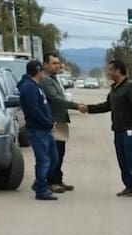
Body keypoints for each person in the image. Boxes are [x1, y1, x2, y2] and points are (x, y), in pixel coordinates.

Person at [80, 59, 132, 198]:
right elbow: (107, 106)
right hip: (118, 129)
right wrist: (88, 108)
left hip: (130, 130)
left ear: (118, 70)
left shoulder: (130, 87)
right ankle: (129, 186)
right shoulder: (114, 88)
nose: (109, 72)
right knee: (122, 160)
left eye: (111, 69)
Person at [17, 61, 57, 201]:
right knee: (44, 160)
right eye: (42, 71)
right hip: (37, 130)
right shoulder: (29, 88)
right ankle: (41, 190)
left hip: (45, 129)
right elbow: (34, 111)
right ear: (38, 71)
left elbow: (43, 106)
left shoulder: (36, 86)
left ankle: (39, 183)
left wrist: (50, 121)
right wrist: (47, 122)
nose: (44, 73)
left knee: (53, 158)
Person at [41, 52, 81, 193]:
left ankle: (58, 179)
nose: (57, 65)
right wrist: (77, 106)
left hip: (61, 122)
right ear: (45, 65)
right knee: (54, 153)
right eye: (54, 63)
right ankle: (50, 181)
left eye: (58, 63)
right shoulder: (46, 81)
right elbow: (55, 99)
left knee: (60, 152)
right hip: (53, 122)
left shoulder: (55, 79)